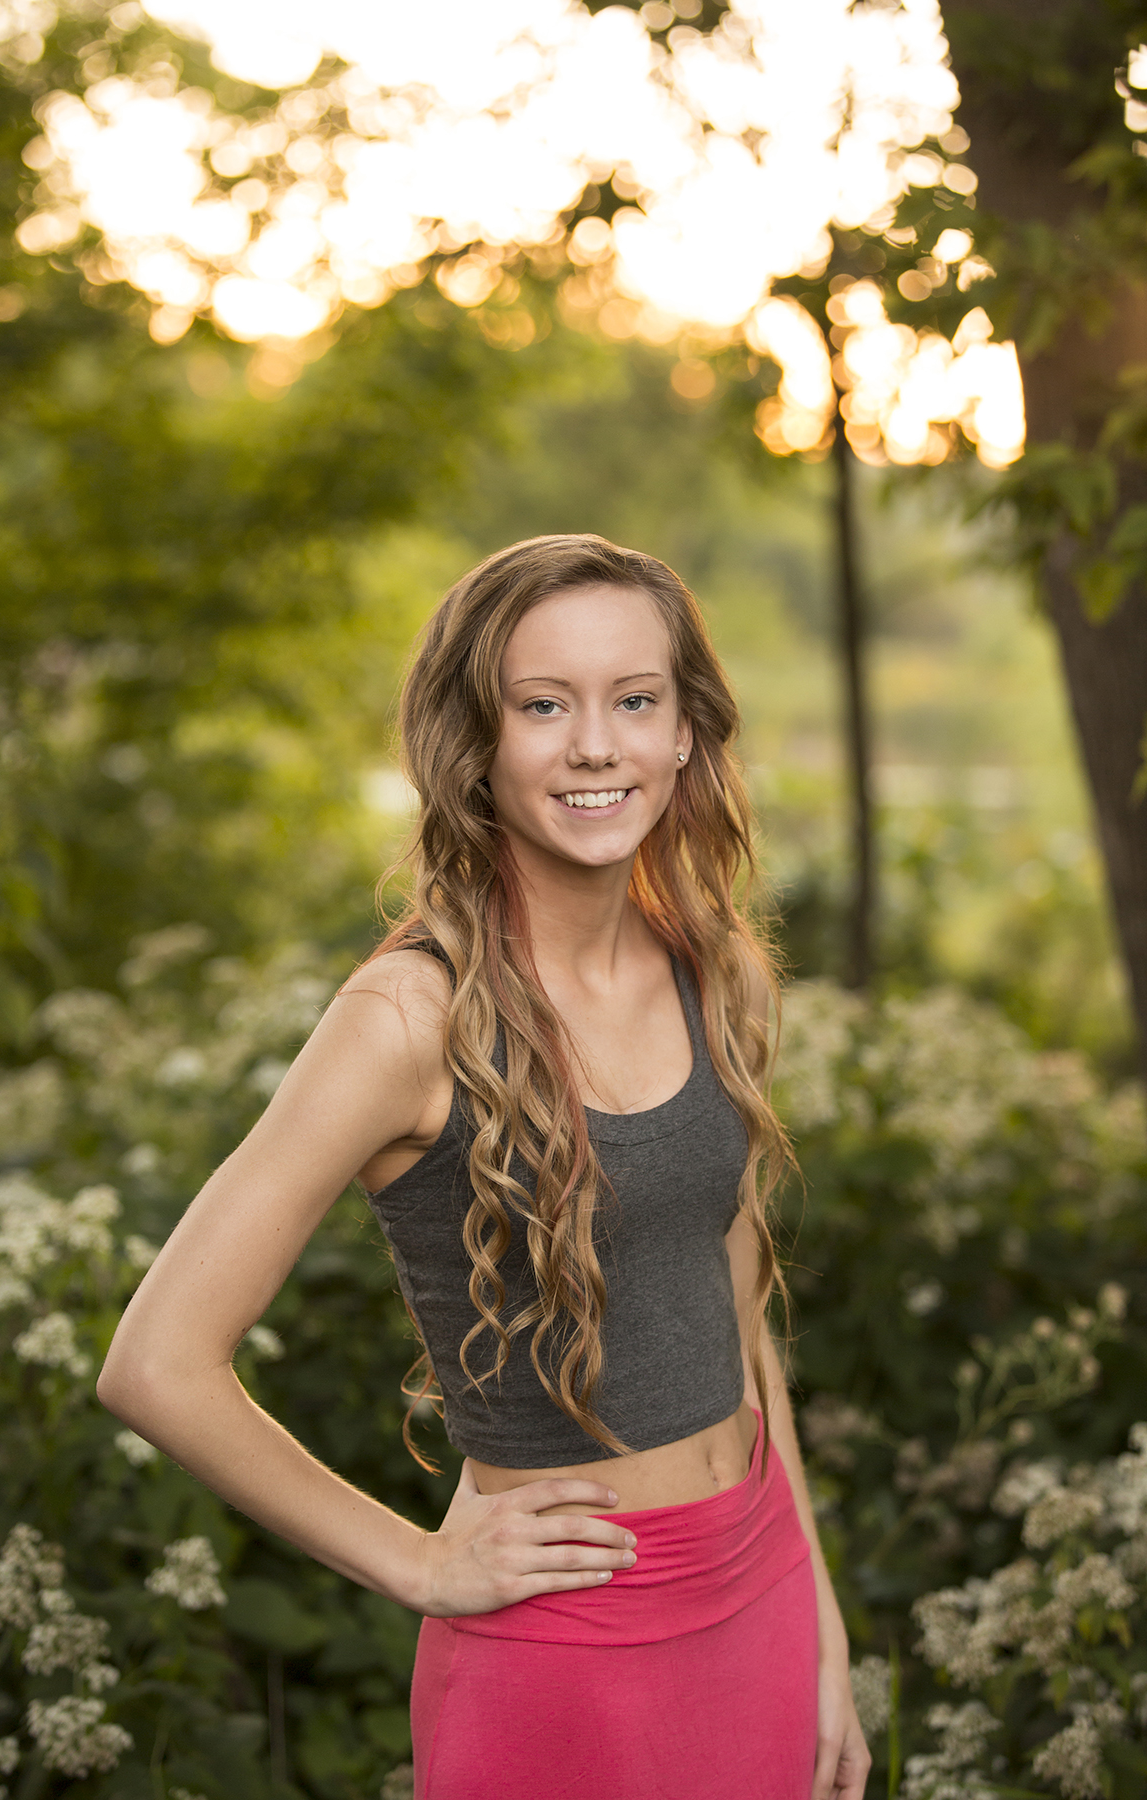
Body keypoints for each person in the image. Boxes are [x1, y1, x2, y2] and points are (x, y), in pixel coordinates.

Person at [98, 534, 869, 1800]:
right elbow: (156, 1362)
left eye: (635, 701)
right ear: (478, 742)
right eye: (542, 705)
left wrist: (820, 1612)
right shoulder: (409, 1017)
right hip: (568, 1654)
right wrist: (417, 1564)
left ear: (686, 733)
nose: (595, 746)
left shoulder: (707, 963)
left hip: (760, 1587)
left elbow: (728, 1297)